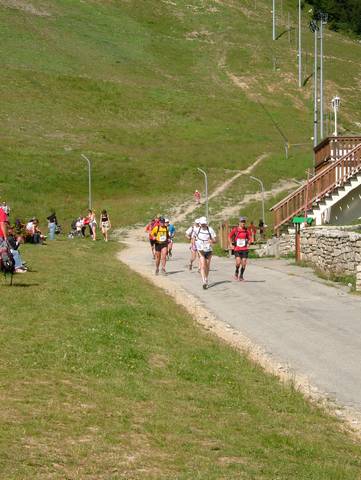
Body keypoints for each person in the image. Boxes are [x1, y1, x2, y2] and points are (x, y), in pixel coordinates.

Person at [192, 216, 216, 289]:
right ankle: (204, 282)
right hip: (201, 249)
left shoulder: (210, 229)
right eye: (202, 224)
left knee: (207, 265)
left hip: (209, 249)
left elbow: (215, 240)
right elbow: (193, 237)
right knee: (203, 265)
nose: (203, 225)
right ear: (200, 224)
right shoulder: (197, 230)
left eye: (204, 224)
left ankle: (206, 278)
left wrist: (211, 241)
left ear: (206, 223)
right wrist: (193, 245)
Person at [228, 216, 250, 281]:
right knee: (238, 262)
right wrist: (230, 244)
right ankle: (236, 271)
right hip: (237, 248)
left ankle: (241, 276)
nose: (243, 223)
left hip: (244, 249)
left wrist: (249, 243)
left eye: (244, 222)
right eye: (242, 222)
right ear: (239, 222)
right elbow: (229, 236)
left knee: (244, 262)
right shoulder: (235, 230)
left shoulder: (246, 230)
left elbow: (249, 238)